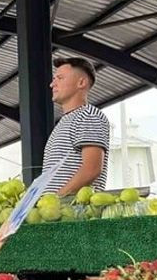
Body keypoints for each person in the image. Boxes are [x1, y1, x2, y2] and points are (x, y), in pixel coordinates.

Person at [44, 57, 110, 195]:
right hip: (55, 211)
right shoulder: (64, 121)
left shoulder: (88, 115)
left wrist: (57, 198)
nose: (52, 84)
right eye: (54, 78)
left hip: (75, 211)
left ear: (81, 82)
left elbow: (92, 169)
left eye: (60, 78)